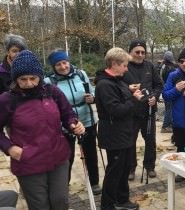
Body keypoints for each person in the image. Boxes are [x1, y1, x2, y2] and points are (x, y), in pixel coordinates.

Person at [0, 50, 85, 210]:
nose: (29, 83)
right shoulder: (7, 100)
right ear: (15, 79)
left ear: (39, 76)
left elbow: (67, 113)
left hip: (57, 157)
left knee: (61, 201)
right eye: (23, 79)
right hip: (28, 161)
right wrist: (9, 147)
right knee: (40, 206)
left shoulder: (52, 91)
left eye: (33, 78)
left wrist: (74, 124)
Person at [44, 49, 101, 195]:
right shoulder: (49, 81)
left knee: (90, 154)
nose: (63, 67)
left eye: (64, 62)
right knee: (66, 156)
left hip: (86, 119)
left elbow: (92, 90)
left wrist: (92, 97)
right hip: (65, 124)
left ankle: (94, 183)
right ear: (53, 66)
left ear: (68, 61)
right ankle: (64, 185)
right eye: (58, 65)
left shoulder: (81, 74)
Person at [94, 47, 143, 210]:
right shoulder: (104, 84)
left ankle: (122, 200)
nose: (127, 68)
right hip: (114, 134)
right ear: (114, 64)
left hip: (124, 133)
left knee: (124, 168)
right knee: (114, 171)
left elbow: (121, 96)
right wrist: (134, 99)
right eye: (124, 65)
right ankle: (108, 205)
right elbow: (116, 110)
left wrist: (129, 91)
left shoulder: (117, 80)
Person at [123, 39, 163, 180]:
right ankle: (130, 168)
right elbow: (119, 87)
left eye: (142, 52)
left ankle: (150, 166)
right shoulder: (125, 66)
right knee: (130, 141)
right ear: (130, 52)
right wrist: (128, 90)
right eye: (137, 52)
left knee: (150, 140)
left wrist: (155, 96)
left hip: (148, 111)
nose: (140, 55)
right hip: (131, 112)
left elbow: (158, 85)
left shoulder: (150, 66)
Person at [160, 50, 176, 133]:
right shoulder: (170, 69)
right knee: (169, 109)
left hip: (165, 90)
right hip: (170, 91)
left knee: (168, 108)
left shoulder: (163, 67)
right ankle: (165, 126)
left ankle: (169, 125)